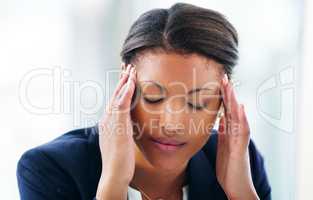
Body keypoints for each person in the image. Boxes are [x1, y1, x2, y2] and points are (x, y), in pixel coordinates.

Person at [17, 3, 271, 200]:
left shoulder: (240, 161)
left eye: (197, 102)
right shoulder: (50, 168)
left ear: (223, 102)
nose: (172, 124)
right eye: (153, 97)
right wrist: (113, 185)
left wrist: (241, 194)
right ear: (125, 84)